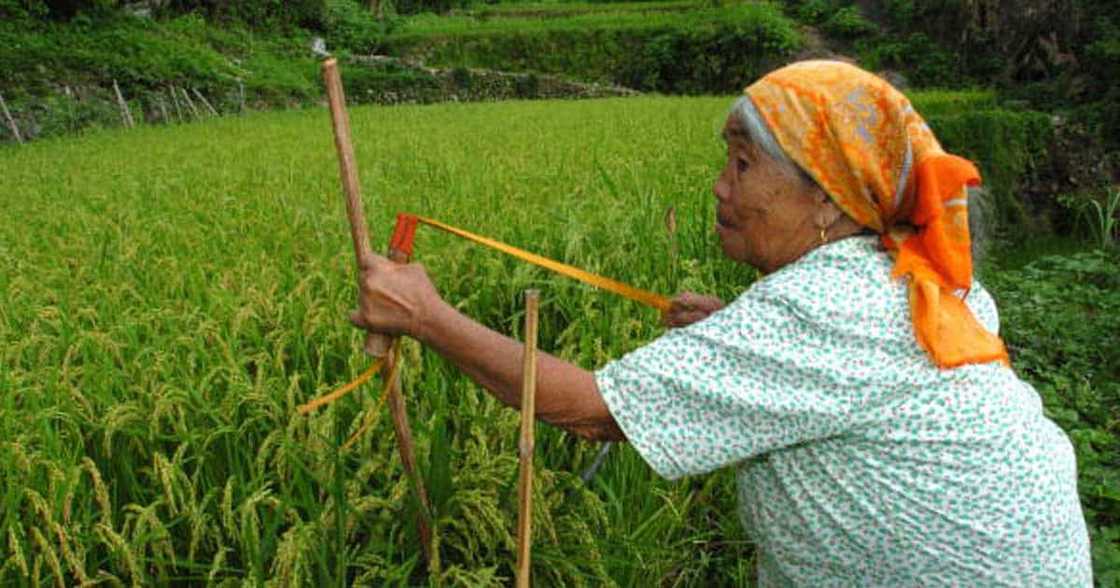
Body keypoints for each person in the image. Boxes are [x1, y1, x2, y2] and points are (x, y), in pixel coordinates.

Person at [348, 60, 1092, 585]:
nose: (719, 187)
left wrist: (427, 316)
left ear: (827, 197)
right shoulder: (912, 270)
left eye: (742, 164)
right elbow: (857, 367)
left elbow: (592, 411)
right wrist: (742, 329)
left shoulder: (820, 305)